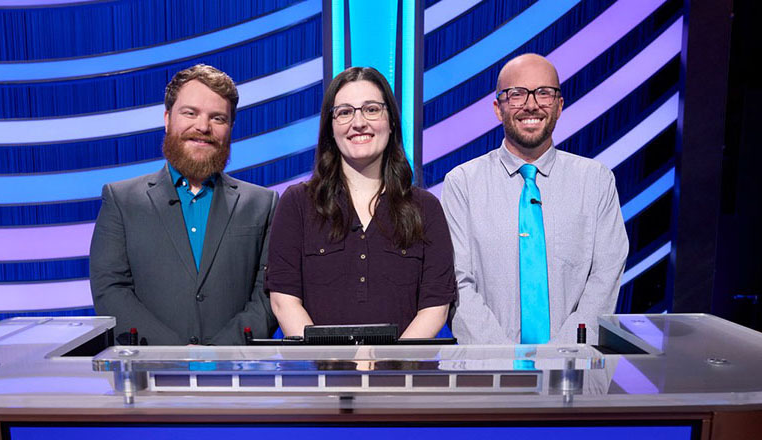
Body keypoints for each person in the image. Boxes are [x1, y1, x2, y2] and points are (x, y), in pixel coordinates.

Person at [441, 54, 629, 345]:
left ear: (560, 105)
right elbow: (457, 283)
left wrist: (560, 359)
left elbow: (604, 278)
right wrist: (504, 363)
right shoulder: (462, 184)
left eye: (544, 93)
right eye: (516, 94)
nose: (531, 104)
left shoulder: (596, 181)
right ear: (498, 109)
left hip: (573, 373)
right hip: (487, 373)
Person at [90, 64, 277, 345]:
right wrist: (176, 354)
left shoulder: (263, 203)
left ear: (230, 128)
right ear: (167, 119)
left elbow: (268, 294)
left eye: (217, 118)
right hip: (148, 374)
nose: (203, 127)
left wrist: (217, 354)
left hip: (235, 374)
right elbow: (110, 290)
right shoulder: (121, 200)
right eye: (190, 113)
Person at [266, 67, 455, 339]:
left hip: (402, 376)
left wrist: (392, 367)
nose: (358, 123)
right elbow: (284, 301)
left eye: (371, 109)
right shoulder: (296, 203)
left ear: (390, 122)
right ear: (330, 128)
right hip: (319, 377)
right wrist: (329, 365)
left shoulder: (426, 208)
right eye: (344, 112)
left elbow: (435, 307)